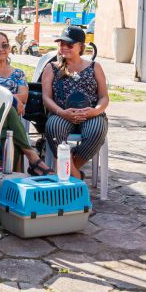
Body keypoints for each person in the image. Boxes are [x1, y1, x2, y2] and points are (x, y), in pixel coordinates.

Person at [0, 32, 50, 174]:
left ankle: (16, 175)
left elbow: (24, 97)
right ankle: (31, 158)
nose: (0, 49)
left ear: (9, 48)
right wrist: (12, 98)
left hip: (8, 122)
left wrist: (8, 98)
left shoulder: (18, 73)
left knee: (8, 130)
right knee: (6, 106)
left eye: (4, 45)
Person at [42, 26, 109, 180]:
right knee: (53, 127)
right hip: (62, 113)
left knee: (97, 130)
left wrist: (95, 111)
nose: (64, 47)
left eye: (69, 45)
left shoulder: (94, 67)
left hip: (91, 114)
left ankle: (67, 169)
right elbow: (46, 98)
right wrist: (61, 112)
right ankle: (77, 176)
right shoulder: (52, 68)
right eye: (61, 44)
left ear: (81, 47)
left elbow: (104, 97)